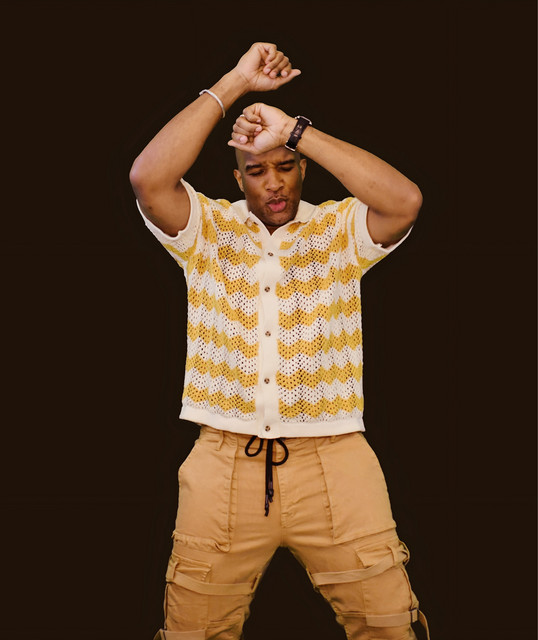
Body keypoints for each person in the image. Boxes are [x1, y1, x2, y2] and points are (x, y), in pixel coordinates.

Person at [130, 42, 429, 640]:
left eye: (285, 166)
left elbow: (405, 201)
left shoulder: (338, 229)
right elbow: (148, 177)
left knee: (389, 627)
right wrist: (235, 83)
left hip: (335, 462)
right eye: (256, 170)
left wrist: (293, 130)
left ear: (302, 167)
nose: (273, 183)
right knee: (192, 632)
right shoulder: (207, 230)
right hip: (223, 464)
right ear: (236, 177)